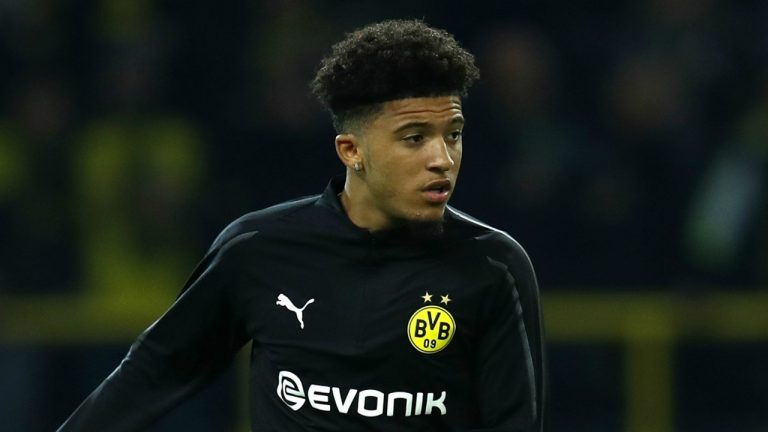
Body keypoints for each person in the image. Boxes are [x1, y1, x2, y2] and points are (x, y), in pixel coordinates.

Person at [57, 19, 546, 431]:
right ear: (351, 151)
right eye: (414, 138)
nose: (442, 159)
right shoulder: (259, 250)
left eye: (453, 134)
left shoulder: (492, 266)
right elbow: (152, 373)